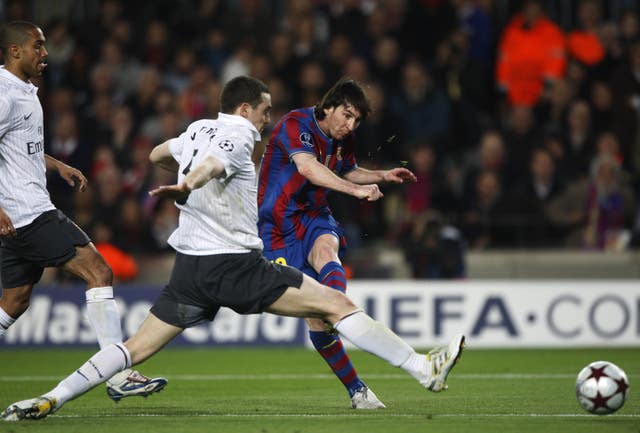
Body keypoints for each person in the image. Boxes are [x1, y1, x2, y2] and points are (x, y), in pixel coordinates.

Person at [1, 75, 465, 421]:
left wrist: (180, 170)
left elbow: (156, 154)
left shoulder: (198, 128)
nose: (269, 120)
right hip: (236, 266)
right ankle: (424, 368)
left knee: (132, 350)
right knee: (337, 304)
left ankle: (50, 398)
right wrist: (188, 183)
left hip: (190, 273)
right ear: (245, 109)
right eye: (264, 111)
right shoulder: (241, 134)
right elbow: (215, 163)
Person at [0, 21, 166, 402]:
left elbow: (15, 147)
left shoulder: (23, 91)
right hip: (29, 213)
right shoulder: (5, 94)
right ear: (14, 51)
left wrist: (55, 164)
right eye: (37, 46)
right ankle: (117, 374)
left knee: (15, 301)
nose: (44, 54)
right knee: (99, 270)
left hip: (22, 216)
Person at [257, 78, 419, 409]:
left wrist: (381, 175)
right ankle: (357, 390)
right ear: (327, 107)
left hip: (313, 215)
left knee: (327, 250)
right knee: (315, 315)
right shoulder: (295, 124)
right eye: (346, 115)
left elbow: (346, 170)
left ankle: (340, 314)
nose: (350, 125)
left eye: (356, 120)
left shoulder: (342, 140)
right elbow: (309, 168)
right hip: (277, 228)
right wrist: (357, 192)